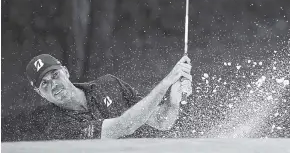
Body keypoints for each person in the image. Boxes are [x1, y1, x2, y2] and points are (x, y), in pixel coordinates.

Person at [24, 54, 192, 140]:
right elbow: (123, 127)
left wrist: (173, 98)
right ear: (39, 93)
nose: (53, 85)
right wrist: (165, 83)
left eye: (55, 75)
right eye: (44, 84)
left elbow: (162, 121)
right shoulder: (56, 127)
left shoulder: (109, 84)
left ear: (66, 72)